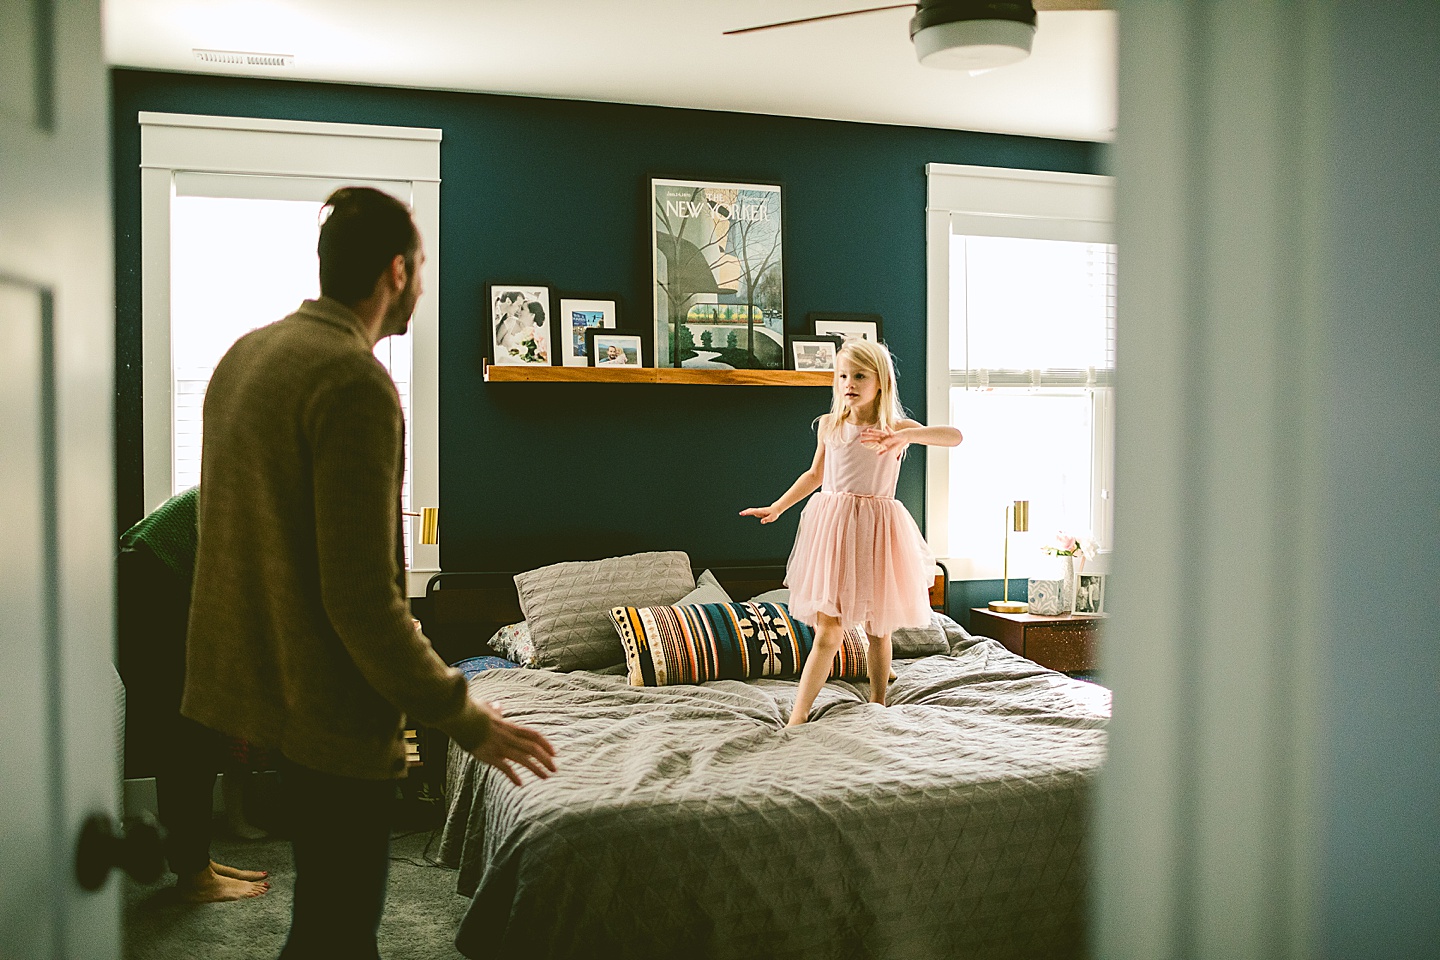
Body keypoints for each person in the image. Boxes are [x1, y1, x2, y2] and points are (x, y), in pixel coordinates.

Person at [183, 186, 556, 958]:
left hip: (258, 683)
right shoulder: (353, 380)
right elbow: (363, 599)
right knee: (339, 931)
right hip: (329, 706)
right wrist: (464, 714)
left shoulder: (245, 356)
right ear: (395, 271)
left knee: (321, 927)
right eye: (421, 268)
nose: (423, 284)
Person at [740, 339, 962, 727]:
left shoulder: (894, 427)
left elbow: (953, 436)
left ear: (881, 382)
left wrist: (905, 437)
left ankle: (878, 700)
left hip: (877, 534)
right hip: (833, 530)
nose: (849, 383)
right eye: (843, 375)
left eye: (860, 376)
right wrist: (777, 506)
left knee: (878, 628)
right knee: (830, 629)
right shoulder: (831, 425)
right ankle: (798, 713)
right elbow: (815, 475)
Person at [117, 487, 270, 902]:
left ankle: (194, 859)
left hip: (150, 577)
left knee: (190, 732)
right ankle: (196, 877)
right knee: (189, 733)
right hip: (154, 583)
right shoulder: (277, 500)